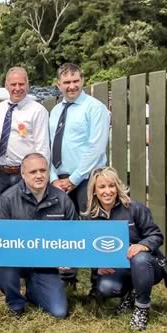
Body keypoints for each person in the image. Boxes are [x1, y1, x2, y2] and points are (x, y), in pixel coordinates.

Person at [0, 153, 77, 318]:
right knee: (4, 269)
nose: (39, 175)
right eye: (33, 171)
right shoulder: (8, 199)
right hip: (16, 261)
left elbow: (75, 237)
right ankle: (15, 304)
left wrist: (68, 261)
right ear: (22, 174)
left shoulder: (62, 199)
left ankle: (34, 291)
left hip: (46, 265)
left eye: (43, 170)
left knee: (59, 312)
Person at [49, 63, 110, 287]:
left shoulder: (95, 108)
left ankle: (99, 283)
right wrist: (54, 178)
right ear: (59, 85)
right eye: (67, 82)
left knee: (91, 227)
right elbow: (49, 146)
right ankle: (68, 278)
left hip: (87, 178)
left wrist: (74, 179)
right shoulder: (55, 111)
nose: (72, 86)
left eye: (76, 81)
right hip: (60, 179)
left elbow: (96, 147)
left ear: (82, 81)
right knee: (65, 229)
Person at [84, 167, 164, 331]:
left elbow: (156, 235)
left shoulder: (134, 208)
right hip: (119, 268)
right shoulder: (90, 216)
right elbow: (87, 249)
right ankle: (132, 293)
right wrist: (97, 266)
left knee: (139, 258)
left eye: (111, 186)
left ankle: (141, 308)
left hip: (148, 265)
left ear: (117, 187)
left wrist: (143, 245)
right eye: (102, 187)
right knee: (106, 287)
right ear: (94, 191)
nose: (107, 191)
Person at [0, 67, 50, 200]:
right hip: (2, 173)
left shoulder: (38, 111)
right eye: (13, 84)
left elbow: (42, 147)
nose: (17, 88)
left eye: (21, 84)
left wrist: (39, 175)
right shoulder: (1, 108)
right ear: (6, 86)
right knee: (2, 216)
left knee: (25, 216)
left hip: (25, 174)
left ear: (28, 85)